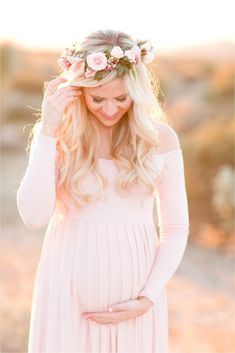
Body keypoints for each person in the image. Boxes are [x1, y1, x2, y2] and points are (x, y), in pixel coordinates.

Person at [17, 29, 190, 353]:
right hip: (65, 301)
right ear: (79, 92)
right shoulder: (61, 136)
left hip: (136, 307)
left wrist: (147, 297)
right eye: (98, 98)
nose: (110, 109)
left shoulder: (161, 139)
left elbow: (176, 228)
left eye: (121, 98)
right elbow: (34, 215)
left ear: (136, 95)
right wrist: (49, 129)